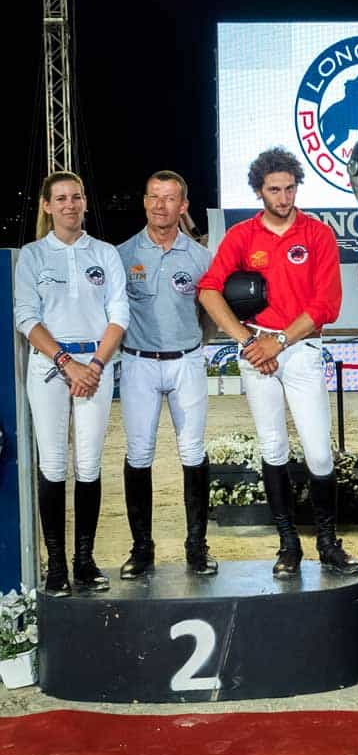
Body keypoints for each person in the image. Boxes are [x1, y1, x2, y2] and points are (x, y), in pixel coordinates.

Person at [198, 147, 358, 578]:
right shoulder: (240, 237)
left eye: (290, 188)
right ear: (258, 190)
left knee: (319, 452)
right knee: (272, 448)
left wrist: (280, 341)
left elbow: (327, 304)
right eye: (275, 189)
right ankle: (288, 546)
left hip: (301, 350)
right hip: (257, 354)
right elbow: (209, 290)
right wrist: (249, 340)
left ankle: (328, 545)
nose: (284, 197)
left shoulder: (318, 234)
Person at [14, 171, 129, 596]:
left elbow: (119, 314)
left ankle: (85, 560)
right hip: (50, 366)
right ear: (46, 206)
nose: (69, 205)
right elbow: (26, 316)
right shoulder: (33, 256)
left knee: (89, 462)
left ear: (84, 202)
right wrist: (65, 361)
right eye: (60, 198)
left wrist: (95, 364)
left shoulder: (105, 253)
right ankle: (57, 564)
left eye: (76, 197)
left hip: (96, 365)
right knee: (53, 464)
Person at [116, 171, 216, 578]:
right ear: (144, 202)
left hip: (186, 362)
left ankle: (197, 546)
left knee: (192, 453)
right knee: (139, 454)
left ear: (183, 206)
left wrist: (196, 345)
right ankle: (142, 549)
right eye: (154, 197)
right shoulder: (121, 255)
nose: (160, 205)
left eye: (169, 198)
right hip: (138, 362)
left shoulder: (199, 257)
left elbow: (210, 314)